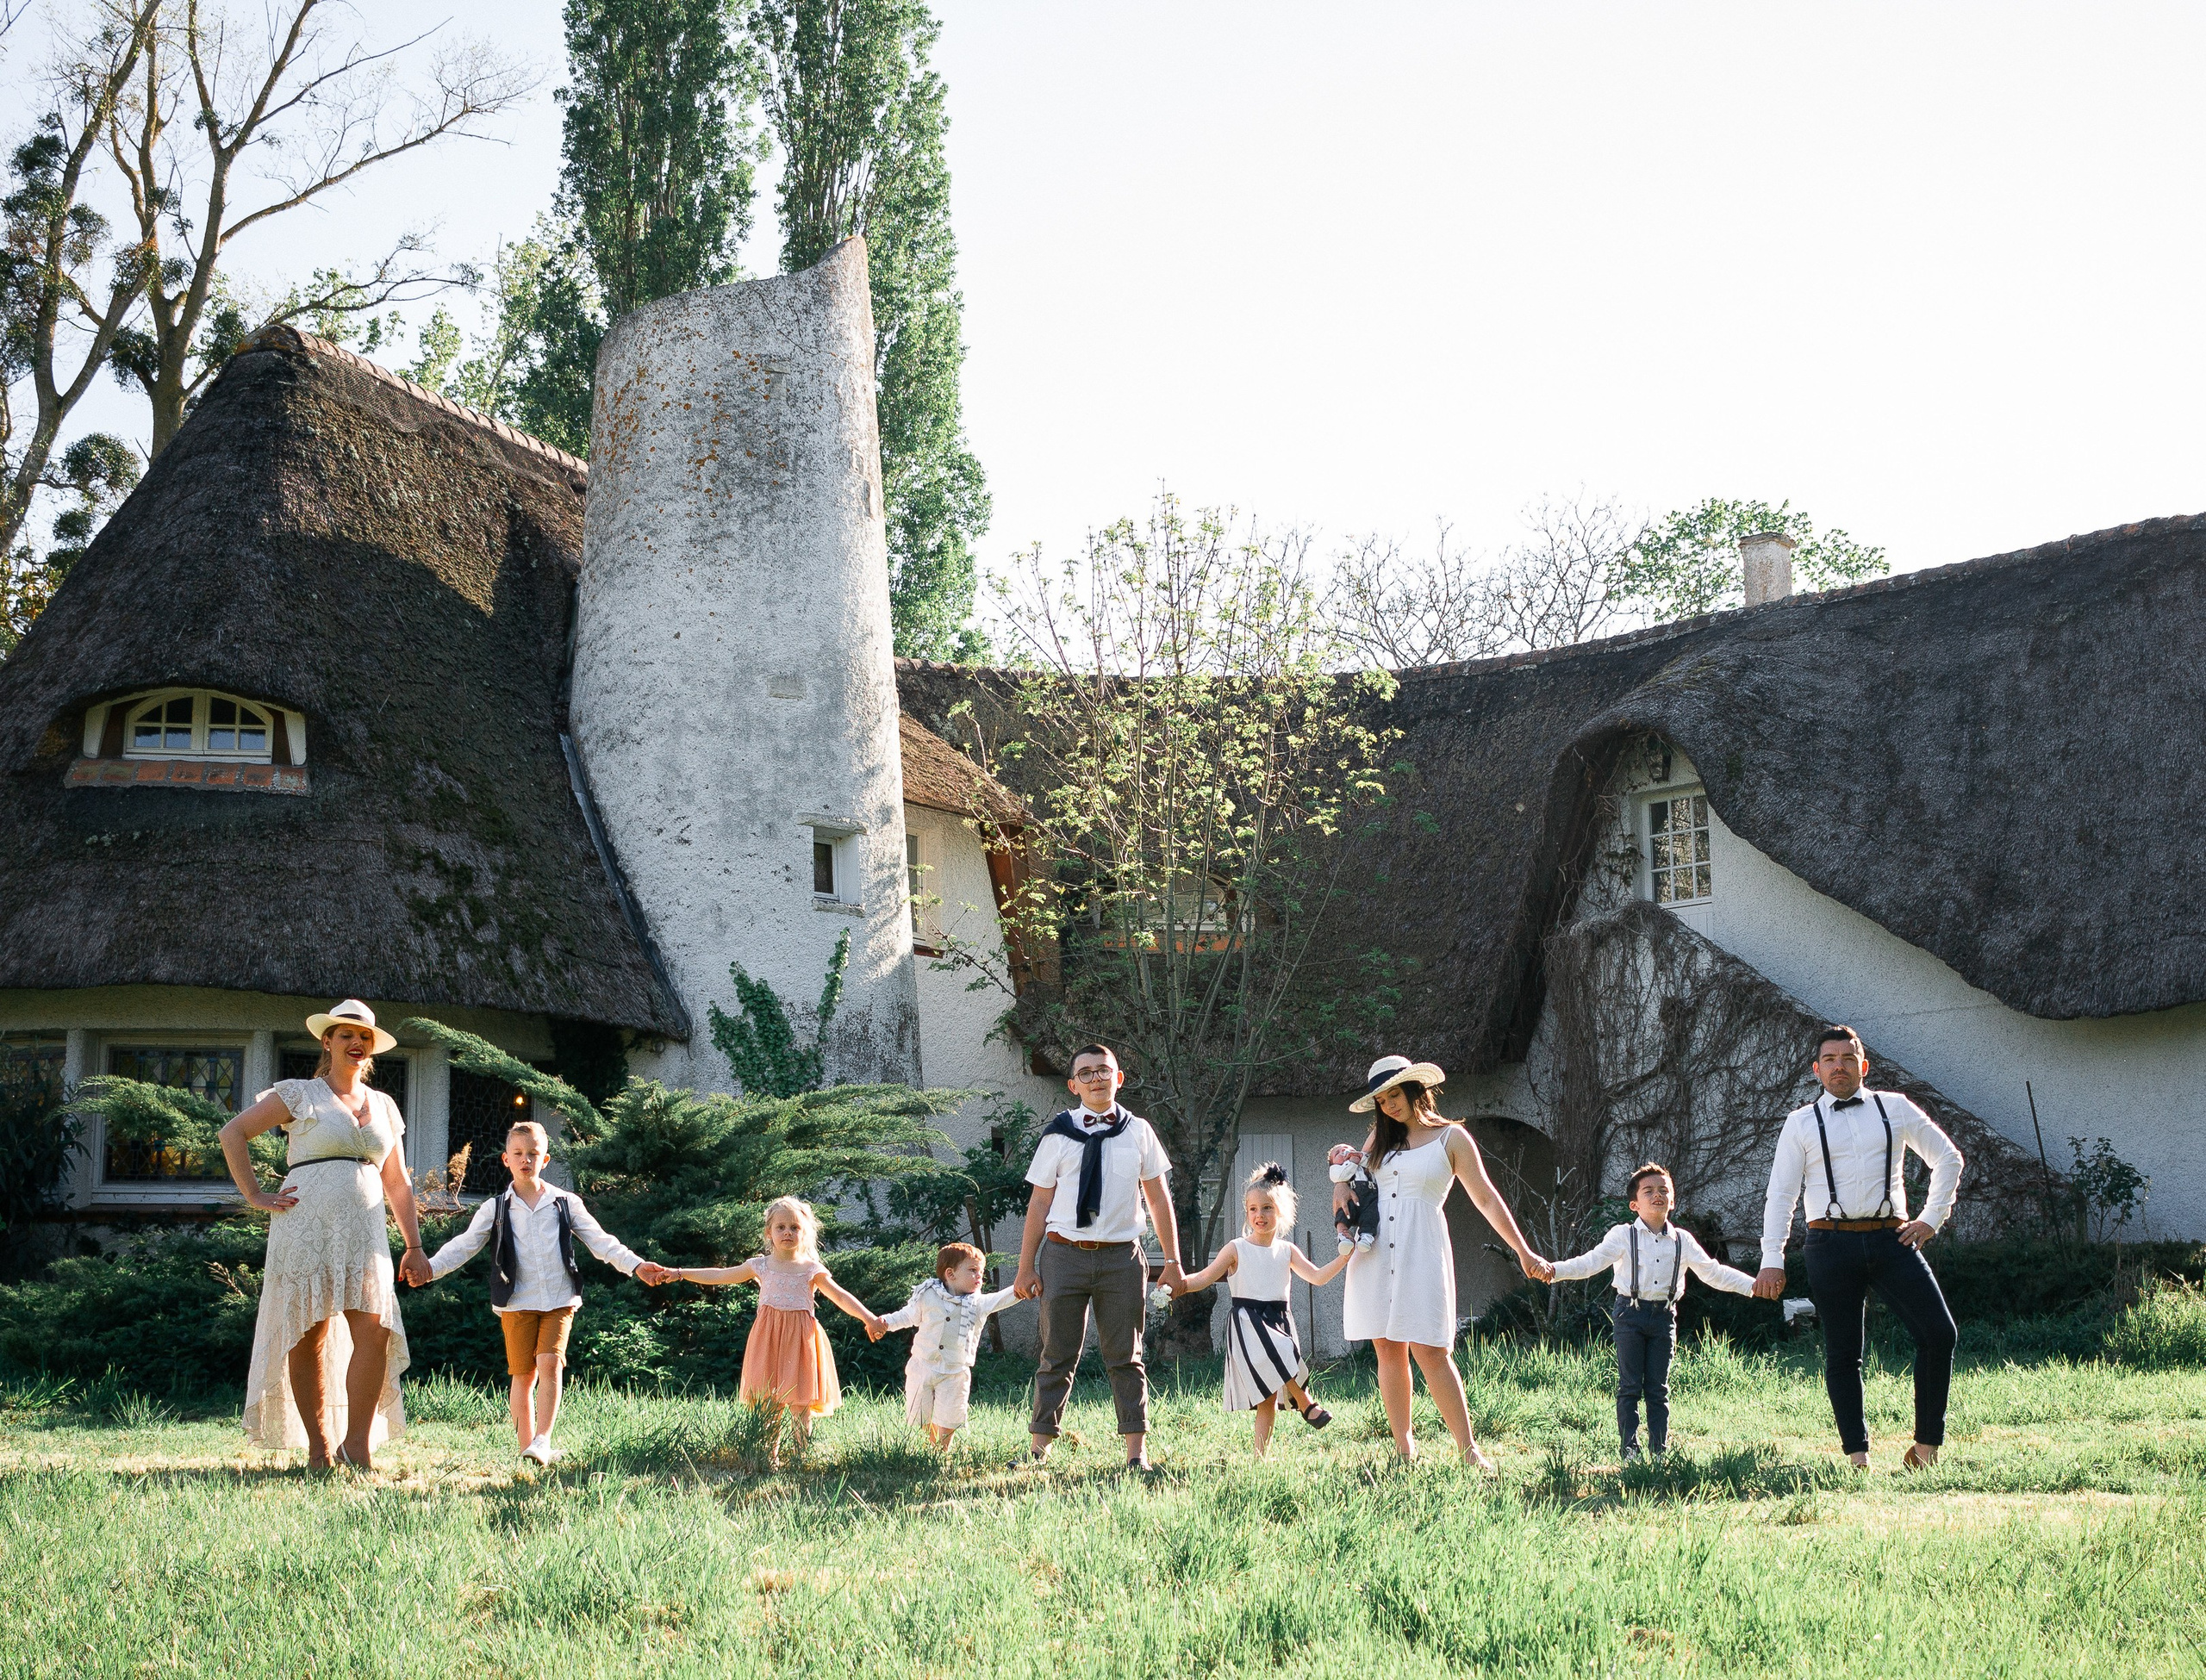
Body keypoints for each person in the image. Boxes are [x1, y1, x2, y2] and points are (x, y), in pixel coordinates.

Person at [218, 999, 431, 1470]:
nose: (356, 1043)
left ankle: (356, 1446)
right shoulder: (298, 1094)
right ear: (327, 1041)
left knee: (374, 1332)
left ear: (371, 1048)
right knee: (307, 1333)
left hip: (366, 1231)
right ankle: (318, 1449)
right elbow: (232, 1133)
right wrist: (255, 1195)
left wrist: (414, 1246)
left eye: (365, 1038)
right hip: (306, 1226)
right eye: (346, 1035)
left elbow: (396, 1181)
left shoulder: (385, 1107)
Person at [1753, 1025, 1964, 1471]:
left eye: (1848, 1058)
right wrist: (1772, 1259)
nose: (1839, 1066)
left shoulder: (1895, 1108)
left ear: (1863, 1066)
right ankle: (1857, 1457)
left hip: (1892, 1239)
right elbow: (1781, 1194)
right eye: (1829, 1059)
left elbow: (1948, 1157)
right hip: (1829, 1244)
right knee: (1844, 1352)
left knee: (1939, 1333)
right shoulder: (1800, 1122)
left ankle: (1926, 1450)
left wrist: (1931, 1218)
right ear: (1816, 1070)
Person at [1330, 1055, 1547, 1468]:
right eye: (1382, 1099)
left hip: (1422, 1246)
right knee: (1387, 1348)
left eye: (1396, 1094)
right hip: (1375, 1251)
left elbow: (1485, 1198)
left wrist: (1523, 1250)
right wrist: (1338, 1191)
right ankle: (1403, 1449)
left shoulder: (1452, 1138)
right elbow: (1355, 1186)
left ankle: (1469, 1451)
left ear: (1416, 1090)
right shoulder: (1378, 1141)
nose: (1390, 1105)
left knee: (1432, 1349)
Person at [414, 1119, 672, 1465]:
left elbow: (601, 1242)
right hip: (516, 1301)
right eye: (518, 1153)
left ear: (545, 1160)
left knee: (550, 1364)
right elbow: (464, 1246)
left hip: (559, 1299)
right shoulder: (495, 1208)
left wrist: (636, 1265)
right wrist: (430, 1268)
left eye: (533, 1153)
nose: (526, 1160)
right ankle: (529, 1451)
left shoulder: (564, 1202)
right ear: (506, 1160)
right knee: (523, 1376)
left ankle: (542, 1439)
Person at [1011, 1043, 1185, 1473]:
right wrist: (1025, 1265)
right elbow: (1038, 1203)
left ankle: (1135, 1455)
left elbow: (1159, 1199)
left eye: (1103, 1071)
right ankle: (1039, 1449)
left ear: (1118, 1077)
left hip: (1121, 1260)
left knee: (1127, 1357)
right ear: (1073, 1085)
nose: (1095, 1079)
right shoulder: (1058, 1135)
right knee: (1057, 1354)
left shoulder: (1139, 1131)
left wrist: (1174, 1261)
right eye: (1085, 1073)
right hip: (1064, 1257)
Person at [1538, 1162, 1759, 1461]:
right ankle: (1629, 1450)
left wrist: (1753, 1286)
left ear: (1673, 1200)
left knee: (1658, 1388)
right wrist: (1554, 1271)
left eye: (1663, 1190)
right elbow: (1590, 1262)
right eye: (1649, 1191)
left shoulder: (1683, 1240)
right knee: (1630, 1386)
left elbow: (1713, 1273)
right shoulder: (1623, 1235)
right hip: (1629, 1314)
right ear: (1634, 1204)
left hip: (1665, 1318)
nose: (1657, 1195)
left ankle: (1659, 1453)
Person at [671, 1197, 884, 1453]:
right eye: (781, 1227)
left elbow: (840, 1295)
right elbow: (720, 1275)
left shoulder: (811, 1269)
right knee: (768, 1401)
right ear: (768, 1232)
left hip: (801, 1341)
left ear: (804, 1233)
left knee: (799, 1403)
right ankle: (768, 1455)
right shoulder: (760, 1265)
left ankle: (799, 1456)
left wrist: (869, 1318)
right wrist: (681, 1273)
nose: (787, 1232)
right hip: (768, 1339)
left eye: (795, 1228)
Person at [1170, 1161, 1351, 1457]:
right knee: (1277, 1352)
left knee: (1267, 1399)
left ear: (1279, 1212)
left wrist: (1345, 1258)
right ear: (1246, 1213)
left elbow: (1317, 1277)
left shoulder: (1287, 1251)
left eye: (1266, 1208)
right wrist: (1178, 1285)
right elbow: (1204, 1278)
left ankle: (1259, 1459)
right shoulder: (1236, 1248)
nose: (1259, 1215)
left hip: (1279, 1320)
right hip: (1248, 1323)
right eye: (1253, 1209)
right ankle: (1306, 1404)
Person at [869, 1241, 1022, 1450]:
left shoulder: (978, 1304)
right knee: (920, 1412)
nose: (980, 1277)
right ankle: (929, 1446)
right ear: (951, 1274)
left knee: (949, 1414)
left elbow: (1001, 1299)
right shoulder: (928, 1294)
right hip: (923, 1365)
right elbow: (908, 1315)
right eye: (973, 1270)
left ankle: (942, 1450)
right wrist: (885, 1323)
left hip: (955, 1370)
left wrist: (1024, 1287)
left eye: (981, 1272)